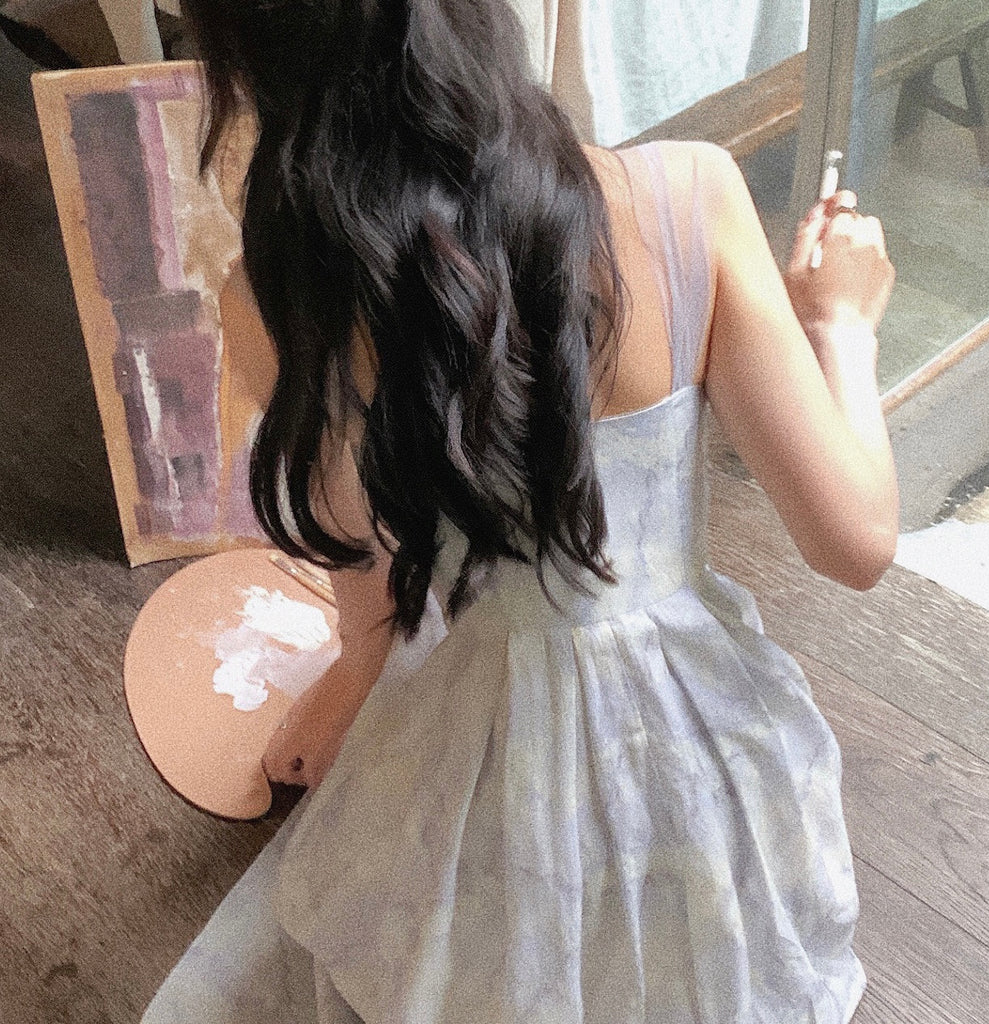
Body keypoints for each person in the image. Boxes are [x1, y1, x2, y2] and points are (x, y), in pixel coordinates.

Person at [145, 0, 898, 1020]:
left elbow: (372, 604)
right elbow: (857, 542)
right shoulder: (688, 196)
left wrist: (335, 706)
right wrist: (842, 327)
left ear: (244, 55)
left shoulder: (282, 302)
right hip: (703, 767)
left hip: (481, 756)